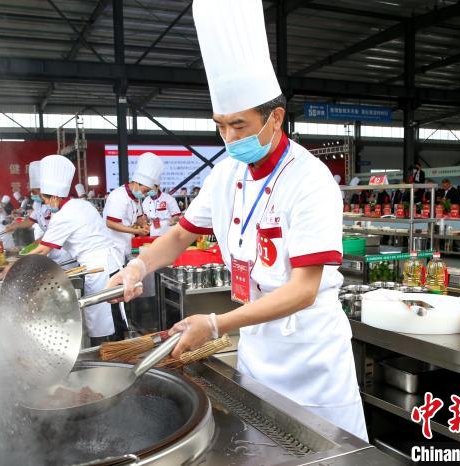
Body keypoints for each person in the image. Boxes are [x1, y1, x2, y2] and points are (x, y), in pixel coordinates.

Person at [107, 0, 367, 442]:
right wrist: (138, 267)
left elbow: (304, 289)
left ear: (276, 117)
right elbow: (179, 235)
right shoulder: (227, 173)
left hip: (310, 355)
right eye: (221, 126)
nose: (229, 138)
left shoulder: (309, 179)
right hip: (256, 343)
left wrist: (215, 324)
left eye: (240, 126)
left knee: (324, 449)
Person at [23, 155, 126, 344]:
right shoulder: (81, 204)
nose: (45, 203)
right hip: (112, 263)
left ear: (54, 197)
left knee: (103, 316)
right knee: (114, 313)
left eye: (45, 199)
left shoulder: (63, 215)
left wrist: (15, 266)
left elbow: (42, 250)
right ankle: (117, 351)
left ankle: (109, 357)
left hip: (99, 267)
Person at [103, 152, 163, 257]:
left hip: (126, 244)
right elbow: (111, 223)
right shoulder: (119, 196)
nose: (144, 195)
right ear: (136, 183)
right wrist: (136, 230)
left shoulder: (136, 196)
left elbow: (138, 217)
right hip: (113, 247)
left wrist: (143, 225)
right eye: (145, 191)